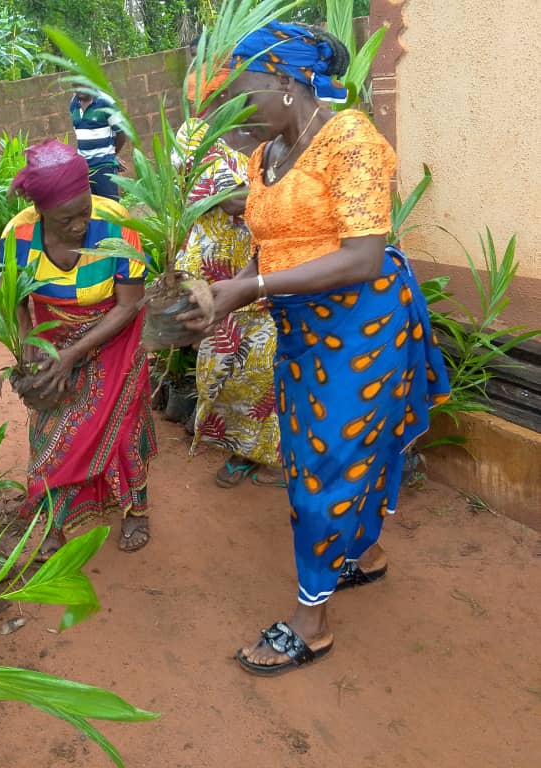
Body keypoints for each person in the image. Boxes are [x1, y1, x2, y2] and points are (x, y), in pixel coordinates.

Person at [177, 22, 450, 675]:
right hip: (303, 330)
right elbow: (270, 247)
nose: (236, 111)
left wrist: (253, 288)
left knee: (322, 471)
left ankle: (312, 623)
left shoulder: (350, 140)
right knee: (314, 450)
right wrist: (219, 291)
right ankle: (362, 556)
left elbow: (360, 258)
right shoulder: (264, 155)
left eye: (244, 94)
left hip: (365, 326)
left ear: (287, 80)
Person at [2, 139, 156, 559]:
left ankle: (135, 509)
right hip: (54, 342)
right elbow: (15, 294)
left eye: (85, 210)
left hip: (116, 336)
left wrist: (73, 354)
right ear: (42, 212)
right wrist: (26, 338)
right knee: (49, 432)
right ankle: (55, 524)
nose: (80, 224)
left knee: (122, 424)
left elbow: (130, 304)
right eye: (67, 218)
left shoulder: (117, 227)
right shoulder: (18, 235)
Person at [174, 66, 283, 488]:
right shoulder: (194, 137)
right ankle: (238, 444)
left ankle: (264, 452)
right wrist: (276, 196)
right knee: (219, 365)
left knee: (264, 367)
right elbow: (225, 201)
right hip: (213, 270)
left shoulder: (269, 131)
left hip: (265, 265)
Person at [70, 91, 126, 201]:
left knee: (110, 208)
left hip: (104, 167)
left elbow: (121, 134)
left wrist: (111, 155)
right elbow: (81, 134)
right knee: (91, 211)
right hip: (84, 169)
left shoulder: (106, 102)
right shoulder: (73, 103)